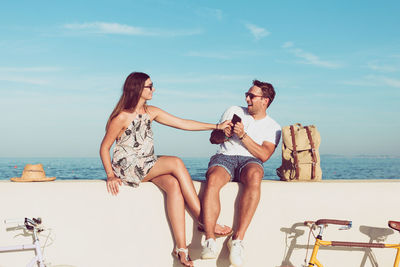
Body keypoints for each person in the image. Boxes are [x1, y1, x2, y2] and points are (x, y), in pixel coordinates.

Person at [99, 72, 232, 267]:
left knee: (173, 185)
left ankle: (181, 249)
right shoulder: (121, 117)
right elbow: (104, 147)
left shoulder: (151, 111)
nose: (154, 89)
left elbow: (183, 123)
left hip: (146, 163)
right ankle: (204, 220)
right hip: (128, 166)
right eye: (150, 86)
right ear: (137, 89)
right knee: (176, 162)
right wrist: (110, 175)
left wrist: (217, 126)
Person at [201, 80, 281, 267]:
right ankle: (210, 240)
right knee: (213, 179)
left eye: (252, 96)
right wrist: (225, 133)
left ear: (265, 100)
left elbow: (264, 154)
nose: (247, 99)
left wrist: (243, 135)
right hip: (225, 156)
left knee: (255, 175)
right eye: (247, 94)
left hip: (250, 160)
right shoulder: (233, 110)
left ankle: (237, 240)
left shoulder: (273, 127)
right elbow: (214, 138)